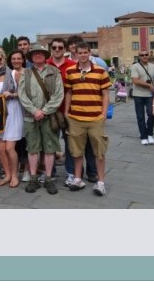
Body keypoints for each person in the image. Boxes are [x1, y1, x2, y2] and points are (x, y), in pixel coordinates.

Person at [47, 37, 98, 187]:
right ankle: (51, 173)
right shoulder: (46, 65)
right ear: (51, 49)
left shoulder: (72, 65)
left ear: (65, 49)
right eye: (54, 47)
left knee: (71, 144)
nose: (57, 50)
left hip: (70, 111)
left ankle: (71, 173)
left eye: (60, 47)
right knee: (50, 143)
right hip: (51, 112)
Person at [63, 41, 112, 196]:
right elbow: (69, 93)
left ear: (89, 53)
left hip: (95, 116)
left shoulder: (100, 71)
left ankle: (101, 182)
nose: (83, 55)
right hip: (76, 116)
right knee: (76, 151)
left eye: (85, 52)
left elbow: (105, 94)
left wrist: (104, 114)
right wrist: (66, 112)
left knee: (99, 151)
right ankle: (78, 178)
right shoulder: (70, 71)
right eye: (80, 53)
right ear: (75, 54)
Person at [19, 43, 64, 195]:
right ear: (31, 57)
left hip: (48, 117)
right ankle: (33, 178)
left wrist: (43, 111)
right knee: (32, 148)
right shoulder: (26, 72)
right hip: (30, 117)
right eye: (34, 53)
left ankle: (49, 178)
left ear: (45, 56)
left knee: (49, 148)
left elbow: (59, 95)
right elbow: (22, 94)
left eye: (40, 53)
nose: (37, 55)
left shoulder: (54, 71)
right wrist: (33, 110)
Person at [0, 49, 24, 188]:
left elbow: (24, 93)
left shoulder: (15, 73)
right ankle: (7, 174)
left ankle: (15, 175)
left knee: (10, 148)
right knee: (1, 148)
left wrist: (12, 94)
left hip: (13, 111)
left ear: (4, 59)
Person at [131, 49, 154, 145]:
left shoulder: (153, 67)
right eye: (142, 55)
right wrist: (149, 86)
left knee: (152, 114)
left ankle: (150, 134)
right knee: (140, 116)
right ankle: (143, 136)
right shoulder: (135, 66)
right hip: (138, 94)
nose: (144, 56)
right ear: (139, 57)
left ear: (148, 56)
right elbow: (135, 80)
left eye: (146, 54)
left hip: (150, 95)